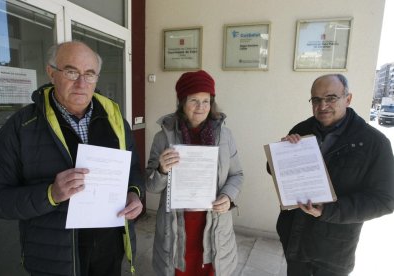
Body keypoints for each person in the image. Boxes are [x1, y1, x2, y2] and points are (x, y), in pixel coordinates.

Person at [0, 41, 144, 276]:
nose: (81, 83)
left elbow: (133, 169)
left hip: (110, 250)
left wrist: (134, 193)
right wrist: (50, 194)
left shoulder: (115, 119)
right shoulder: (22, 126)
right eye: (71, 71)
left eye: (89, 74)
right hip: (54, 259)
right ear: (51, 72)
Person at [270, 74, 394, 276]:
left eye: (331, 98)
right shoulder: (301, 130)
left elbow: (385, 201)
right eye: (316, 99)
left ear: (348, 98)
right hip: (295, 239)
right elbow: (273, 171)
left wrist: (329, 210)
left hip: (334, 250)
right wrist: (282, 153)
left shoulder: (374, 143)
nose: (322, 105)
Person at [146, 70, 244, 276]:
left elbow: (237, 175)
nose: (201, 107)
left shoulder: (225, 136)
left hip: (214, 224)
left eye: (206, 101)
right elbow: (151, 186)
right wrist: (162, 170)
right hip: (177, 227)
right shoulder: (163, 137)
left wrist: (228, 196)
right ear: (182, 102)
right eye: (194, 100)